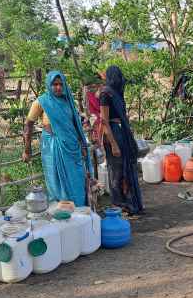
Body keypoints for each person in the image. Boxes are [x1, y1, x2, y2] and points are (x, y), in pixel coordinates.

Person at [23, 70, 90, 207]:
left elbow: (75, 125)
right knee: (55, 180)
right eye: (54, 84)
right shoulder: (41, 102)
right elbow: (28, 125)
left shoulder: (68, 101)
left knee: (76, 179)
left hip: (71, 146)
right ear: (49, 85)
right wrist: (27, 149)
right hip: (52, 145)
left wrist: (82, 145)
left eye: (61, 84)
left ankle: (79, 209)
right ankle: (61, 211)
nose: (58, 87)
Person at [99, 65, 143, 215]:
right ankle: (119, 205)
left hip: (121, 132)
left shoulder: (115, 93)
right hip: (112, 133)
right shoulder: (106, 94)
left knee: (126, 169)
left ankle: (129, 203)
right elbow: (104, 121)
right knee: (116, 171)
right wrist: (113, 144)